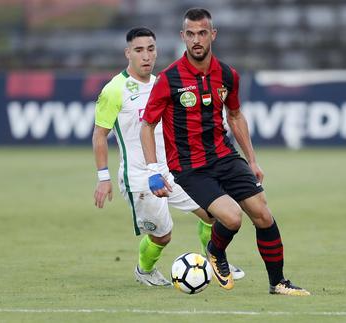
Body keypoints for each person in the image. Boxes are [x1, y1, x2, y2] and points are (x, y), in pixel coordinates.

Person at [140, 9, 310, 296]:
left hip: (224, 156)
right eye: (190, 34)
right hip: (190, 166)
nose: (196, 39)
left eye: (202, 33)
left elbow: (235, 115)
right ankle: (215, 251)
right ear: (183, 36)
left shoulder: (228, 75)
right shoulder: (169, 79)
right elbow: (148, 125)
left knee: (263, 215)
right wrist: (154, 171)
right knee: (231, 218)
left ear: (212, 35)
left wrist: (252, 160)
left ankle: (277, 282)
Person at [92, 27, 244, 287]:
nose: (146, 56)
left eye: (150, 49)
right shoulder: (114, 90)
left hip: (173, 169)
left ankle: (216, 259)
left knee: (214, 214)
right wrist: (103, 177)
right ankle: (145, 270)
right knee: (163, 236)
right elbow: (99, 135)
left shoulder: (164, 82)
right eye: (139, 50)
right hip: (139, 175)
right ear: (128, 53)